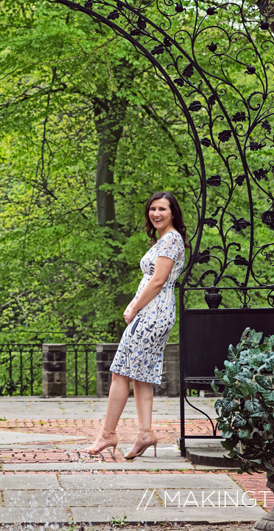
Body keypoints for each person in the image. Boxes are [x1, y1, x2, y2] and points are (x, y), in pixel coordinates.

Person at [83, 191, 186, 460]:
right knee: (140, 376)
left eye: (162, 209)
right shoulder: (165, 239)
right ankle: (144, 434)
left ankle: (107, 433)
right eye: (152, 209)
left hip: (153, 314)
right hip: (154, 311)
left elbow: (157, 281)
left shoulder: (172, 239)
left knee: (120, 372)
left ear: (173, 212)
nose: (156, 214)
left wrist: (133, 306)